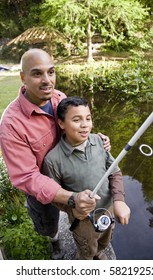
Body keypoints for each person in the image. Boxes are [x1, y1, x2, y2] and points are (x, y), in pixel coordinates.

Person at [0, 48, 111, 260]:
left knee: (84, 216)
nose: (47, 80)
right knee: (48, 223)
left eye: (51, 72)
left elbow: (72, 126)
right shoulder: (11, 125)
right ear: (22, 77)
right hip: (43, 192)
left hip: (69, 176)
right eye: (37, 73)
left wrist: (94, 138)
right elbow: (26, 177)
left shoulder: (59, 97)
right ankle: (54, 241)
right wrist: (70, 198)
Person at [42, 96, 131, 260]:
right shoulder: (53, 159)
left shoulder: (99, 141)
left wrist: (119, 200)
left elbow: (114, 172)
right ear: (61, 124)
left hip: (108, 209)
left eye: (88, 118)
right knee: (87, 247)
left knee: (105, 237)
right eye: (76, 120)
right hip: (83, 220)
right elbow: (54, 195)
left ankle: (99, 251)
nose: (85, 125)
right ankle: (86, 258)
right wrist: (72, 209)